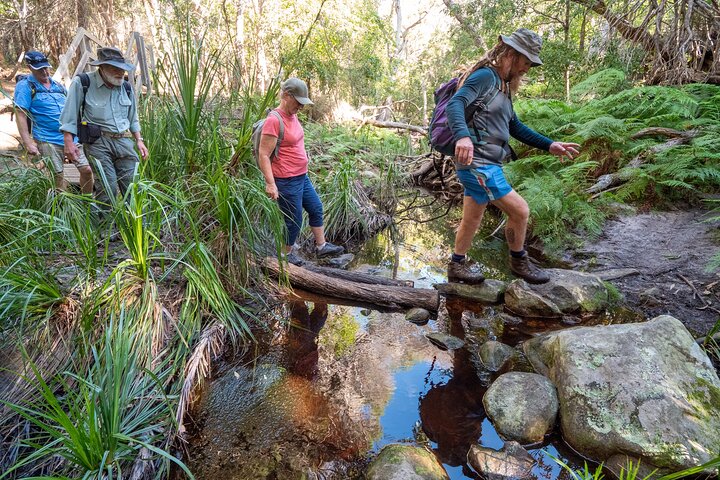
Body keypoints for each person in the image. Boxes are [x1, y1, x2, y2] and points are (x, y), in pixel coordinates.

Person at [445, 28, 580, 284]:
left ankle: (456, 266)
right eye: (526, 62)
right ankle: (519, 262)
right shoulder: (486, 77)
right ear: (511, 54)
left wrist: (550, 145)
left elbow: (514, 126)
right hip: (478, 163)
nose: (527, 69)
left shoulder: (503, 88)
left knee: (472, 218)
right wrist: (463, 136)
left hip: (486, 162)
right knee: (520, 211)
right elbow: (455, 104)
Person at [258, 77, 344, 265]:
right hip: (285, 180)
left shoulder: (293, 115)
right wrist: (270, 183)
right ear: (287, 96)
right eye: (299, 102)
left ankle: (321, 247)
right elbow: (263, 154)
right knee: (293, 220)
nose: (301, 107)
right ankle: (284, 256)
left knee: (315, 207)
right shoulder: (274, 120)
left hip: (301, 176)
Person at [59, 47, 148, 206]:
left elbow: (133, 117)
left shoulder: (126, 87)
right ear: (102, 67)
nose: (120, 73)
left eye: (122, 68)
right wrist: (69, 143)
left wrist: (139, 140)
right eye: (115, 68)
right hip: (98, 142)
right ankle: (103, 228)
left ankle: (134, 227)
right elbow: (69, 114)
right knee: (107, 189)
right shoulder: (83, 82)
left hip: (124, 141)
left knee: (133, 187)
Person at [14, 51, 93, 194]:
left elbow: (73, 106)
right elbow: (21, 114)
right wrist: (28, 142)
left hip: (71, 137)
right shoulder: (26, 86)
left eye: (46, 67)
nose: (45, 72)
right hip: (47, 139)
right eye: (40, 69)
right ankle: (60, 208)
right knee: (58, 175)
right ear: (30, 67)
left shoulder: (58, 85)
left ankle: (87, 205)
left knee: (86, 170)